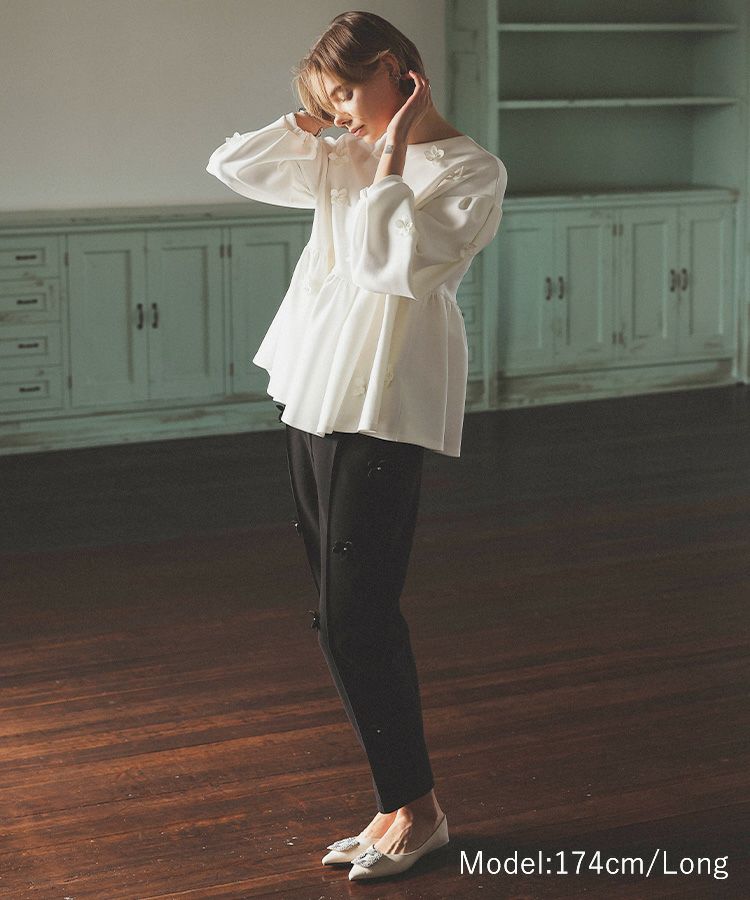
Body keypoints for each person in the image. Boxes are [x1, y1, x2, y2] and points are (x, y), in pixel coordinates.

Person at [206, 10, 507, 882]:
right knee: (338, 614)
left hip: (382, 395)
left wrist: (392, 152)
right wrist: (313, 121)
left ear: (398, 71)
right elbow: (233, 166)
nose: (340, 112)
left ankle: (419, 811)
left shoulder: (471, 170)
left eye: (346, 91)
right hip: (313, 387)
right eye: (326, 99)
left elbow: (389, 268)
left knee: (355, 615)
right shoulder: (342, 149)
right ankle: (397, 803)